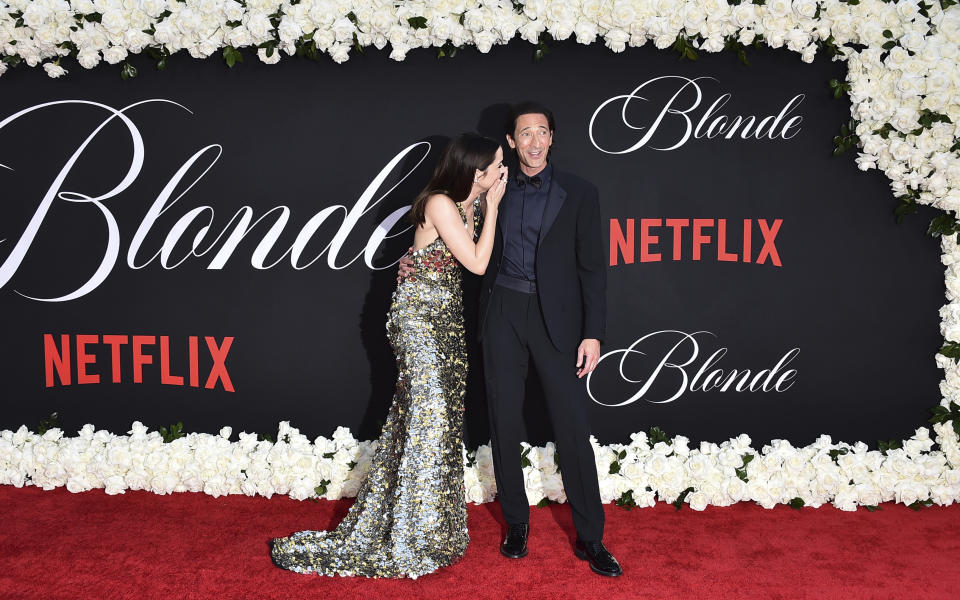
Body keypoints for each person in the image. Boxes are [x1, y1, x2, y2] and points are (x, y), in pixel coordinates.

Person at [271, 133, 507, 579]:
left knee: (428, 421)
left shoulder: (470, 204)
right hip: (417, 320)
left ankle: (427, 527)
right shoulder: (442, 201)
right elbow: (476, 263)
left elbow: (449, 257)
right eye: (497, 164)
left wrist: (482, 210)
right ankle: (411, 534)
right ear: (477, 171)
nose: (502, 171)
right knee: (428, 419)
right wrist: (493, 208)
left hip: (448, 320)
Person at [400, 101, 621, 577]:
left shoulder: (581, 193)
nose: (535, 141)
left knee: (571, 428)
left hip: (556, 321)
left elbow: (593, 270)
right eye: (526, 134)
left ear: (552, 139)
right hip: (502, 312)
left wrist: (594, 333)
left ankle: (591, 537)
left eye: (543, 132)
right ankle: (516, 524)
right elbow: (442, 223)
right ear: (511, 141)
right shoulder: (487, 188)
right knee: (503, 421)